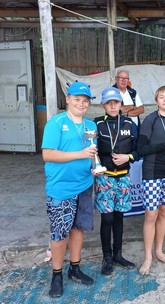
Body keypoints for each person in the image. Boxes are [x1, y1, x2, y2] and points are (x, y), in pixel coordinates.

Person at [42, 81, 96, 298]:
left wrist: (95, 167)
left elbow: (93, 153)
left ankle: (75, 267)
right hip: (61, 188)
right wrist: (80, 154)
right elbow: (48, 154)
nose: (81, 104)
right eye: (77, 99)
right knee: (59, 233)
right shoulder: (56, 123)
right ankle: (57, 274)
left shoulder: (91, 125)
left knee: (78, 229)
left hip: (84, 184)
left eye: (85, 101)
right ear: (68, 99)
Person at [94, 86, 139, 276]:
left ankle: (118, 254)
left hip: (123, 177)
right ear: (103, 104)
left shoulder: (130, 123)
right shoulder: (96, 124)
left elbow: (139, 150)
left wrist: (127, 157)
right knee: (107, 218)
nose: (113, 106)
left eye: (116, 102)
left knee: (120, 217)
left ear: (121, 104)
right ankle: (107, 257)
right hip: (105, 177)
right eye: (109, 103)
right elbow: (91, 150)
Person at [137, 86, 165, 275]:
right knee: (151, 215)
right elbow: (141, 149)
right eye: (161, 97)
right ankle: (147, 257)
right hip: (152, 173)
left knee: (164, 212)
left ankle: (159, 251)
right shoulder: (150, 120)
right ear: (156, 101)